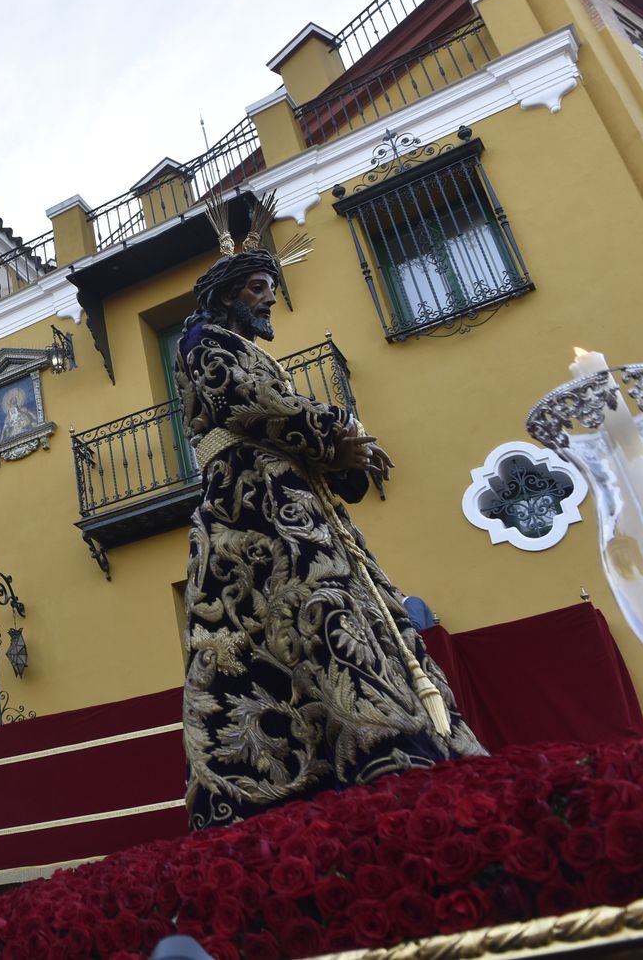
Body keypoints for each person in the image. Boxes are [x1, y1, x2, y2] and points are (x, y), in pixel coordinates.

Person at [176, 195, 483, 831]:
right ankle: (370, 745)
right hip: (251, 507)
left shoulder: (247, 347)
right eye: (259, 287)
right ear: (229, 293)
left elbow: (278, 412)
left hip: (294, 500)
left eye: (271, 288)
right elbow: (250, 403)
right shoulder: (205, 342)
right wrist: (336, 429)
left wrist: (342, 455)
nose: (268, 300)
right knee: (301, 611)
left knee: (345, 607)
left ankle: (407, 735)